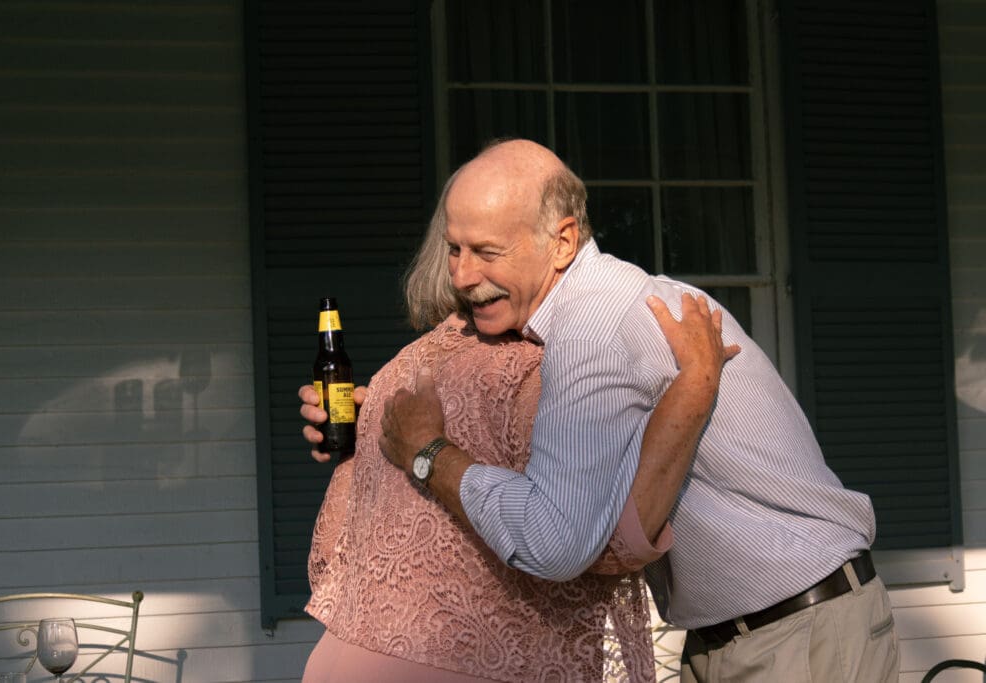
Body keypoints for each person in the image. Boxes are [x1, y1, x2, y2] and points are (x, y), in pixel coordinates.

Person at [377, 138, 899, 682]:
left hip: (798, 638)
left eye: (486, 252)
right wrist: (373, 417)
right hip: (758, 636)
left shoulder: (594, 324)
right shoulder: (577, 315)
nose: (461, 275)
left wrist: (429, 454)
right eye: (454, 249)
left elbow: (554, 541)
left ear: (561, 243)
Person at [300, 291, 733, 682]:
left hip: (341, 658)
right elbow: (599, 548)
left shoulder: (394, 373)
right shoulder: (545, 375)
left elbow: (329, 559)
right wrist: (696, 383)